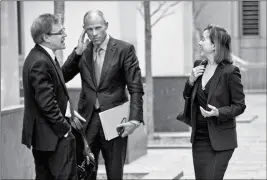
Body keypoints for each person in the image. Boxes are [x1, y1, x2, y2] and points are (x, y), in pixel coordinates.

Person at [61, 10, 144, 180]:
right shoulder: (83, 51)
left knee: (114, 173)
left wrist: (135, 120)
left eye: (98, 28)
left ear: (106, 26)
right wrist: (76, 53)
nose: (94, 33)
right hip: (87, 121)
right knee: (85, 172)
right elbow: (62, 77)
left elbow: (135, 87)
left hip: (115, 121)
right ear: (84, 30)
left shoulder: (124, 49)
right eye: (89, 29)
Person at [21, 13, 86, 180]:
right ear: (46, 37)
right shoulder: (40, 61)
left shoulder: (41, 56)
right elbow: (47, 103)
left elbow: (58, 80)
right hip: (54, 138)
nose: (65, 35)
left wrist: (77, 53)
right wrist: (65, 131)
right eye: (61, 32)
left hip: (46, 138)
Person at [182, 24, 246, 179]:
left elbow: (240, 105)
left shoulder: (230, 72)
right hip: (199, 139)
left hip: (221, 141)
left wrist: (218, 112)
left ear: (214, 45)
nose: (200, 42)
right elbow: (186, 96)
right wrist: (190, 81)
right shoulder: (199, 66)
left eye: (203, 39)